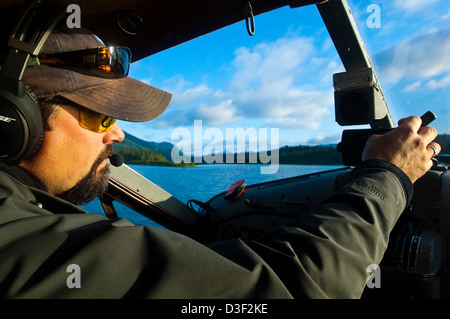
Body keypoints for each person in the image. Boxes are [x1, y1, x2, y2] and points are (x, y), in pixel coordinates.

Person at [0, 23, 441, 299]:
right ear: (15, 121)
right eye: (101, 116)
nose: (116, 133)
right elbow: (295, 289)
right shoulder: (24, 245)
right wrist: (388, 176)